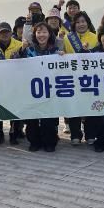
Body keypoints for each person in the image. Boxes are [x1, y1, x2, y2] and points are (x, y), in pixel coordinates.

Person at [17, 22, 62, 152]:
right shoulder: (29, 49)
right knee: (32, 119)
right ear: (34, 34)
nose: (41, 35)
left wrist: (62, 57)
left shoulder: (55, 50)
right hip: (32, 90)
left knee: (49, 118)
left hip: (49, 90)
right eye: (39, 32)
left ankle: (50, 142)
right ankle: (34, 142)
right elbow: (15, 61)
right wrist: (21, 50)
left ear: (49, 34)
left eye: (44, 32)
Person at [0, 22, 24, 145]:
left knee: (15, 110)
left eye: (7, 32)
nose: (4, 34)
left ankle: (14, 135)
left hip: (15, 84)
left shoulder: (20, 45)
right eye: (2, 32)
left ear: (11, 33)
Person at [63, 11, 98, 145]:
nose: (81, 24)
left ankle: (90, 134)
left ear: (88, 23)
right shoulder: (67, 38)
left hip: (90, 77)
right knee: (74, 106)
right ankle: (75, 134)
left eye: (83, 21)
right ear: (74, 24)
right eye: (77, 22)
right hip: (72, 77)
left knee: (90, 106)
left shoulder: (95, 37)